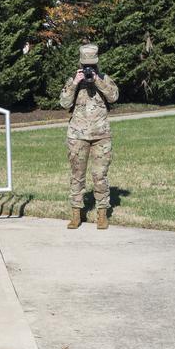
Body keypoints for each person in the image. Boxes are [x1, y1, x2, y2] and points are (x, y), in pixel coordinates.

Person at [59, 43, 119, 230]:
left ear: (96, 63)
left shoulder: (103, 78)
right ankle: (76, 213)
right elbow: (63, 103)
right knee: (77, 175)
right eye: (86, 66)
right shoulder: (74, 81)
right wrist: (75, 83)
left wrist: (97, 80)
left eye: (91, 66)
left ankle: (102, 213)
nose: (88, 69)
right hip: (77, 135)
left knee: (100, 175)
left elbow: (114, 97)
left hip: (101, 135)